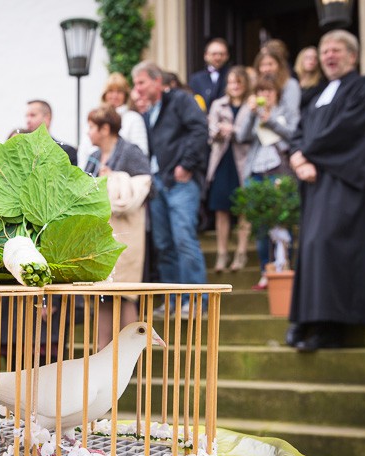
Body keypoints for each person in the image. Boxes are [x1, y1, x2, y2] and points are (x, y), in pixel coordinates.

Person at [287, 30, 365, 351]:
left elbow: (348, 130)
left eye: (336, 50)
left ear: (353, 56)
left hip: (345, 183)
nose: (329, 55)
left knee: (330, 244)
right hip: (315, 185)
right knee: (311, 248)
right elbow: (299, 132)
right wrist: (297, 158)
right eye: (324, 51)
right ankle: (306, 320)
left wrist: (307, 154)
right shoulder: (318, 95)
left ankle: (332, 327)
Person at [132, 60, 209, 314]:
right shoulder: (148, 112)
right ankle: (173, 301)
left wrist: (186, 164)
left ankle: (196, 301)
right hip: (157, 184)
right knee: (164, 245)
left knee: (184, 239)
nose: (137, 88)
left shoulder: (180, 100)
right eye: (135, 84)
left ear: (157, 80)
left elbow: (200, 129)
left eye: (141, 82)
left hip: (180, 182)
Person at [84, 105, 151, 348]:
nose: (89, 132)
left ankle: (129, 355)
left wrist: (114, 178)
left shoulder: (130, 151)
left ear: (105, 129)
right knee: (103, 295)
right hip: (101, 235)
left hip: (126, 235)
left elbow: (146, 186)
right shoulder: (93, 156)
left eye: (92, 126)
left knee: (125, 293)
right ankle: (102, 354)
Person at [235, 75, 300, 289]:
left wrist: (270, 120)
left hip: (279, 171)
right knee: (260, 226)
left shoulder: (285, 111)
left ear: (277, 93)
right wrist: (252, 114)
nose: (265, 95)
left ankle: (285, 269)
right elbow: (241, 136)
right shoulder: (253, 111)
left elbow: (293, 135)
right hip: (256, 173)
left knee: (282, 223)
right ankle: (266, 270)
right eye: (261, 91)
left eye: (269, 91)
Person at [206, 66, 251, 273]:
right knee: (221, 209)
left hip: (244, 161)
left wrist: (233, 130)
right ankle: (222, 253)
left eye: (238, 82)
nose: (235, 86)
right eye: (231, 82)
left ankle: (241, 252)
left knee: (243, 208)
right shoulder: (218, 104)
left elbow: (253, 133)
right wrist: (218, 131)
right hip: (222, 161)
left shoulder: (251, 105)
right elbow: (210, 131)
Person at [25, 99, 78, 165]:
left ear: (47, 118)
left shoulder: (66, 152)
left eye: (33, 115)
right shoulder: (22, 150)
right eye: (26, 116)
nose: (28, 120)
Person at [253, 47, 301, 115]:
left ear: (279, 65)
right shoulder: (255, 85)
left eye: (270, 64)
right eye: (262, 65)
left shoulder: (291, 84)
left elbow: (292, 113)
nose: (266, 69)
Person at [189, 38, 231, 113]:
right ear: (206, 56)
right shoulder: (196, 79)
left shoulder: (232, 76)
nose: (218, 57)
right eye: (214, 54)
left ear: (227, 56)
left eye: (222, 54)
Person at [294, 46, 327, 113]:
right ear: (301, 60)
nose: (312, 60)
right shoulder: (293, 79)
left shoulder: (320, 83)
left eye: (315, 58)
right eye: (308, 57)